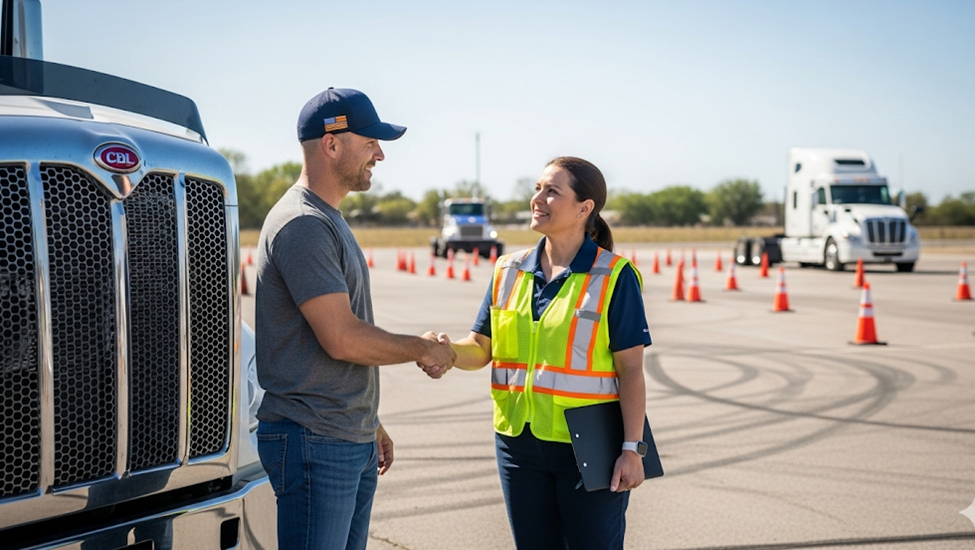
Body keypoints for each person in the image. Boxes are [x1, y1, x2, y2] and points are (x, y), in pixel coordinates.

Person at [255, 87, 456, 550]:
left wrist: (370, 421)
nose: (380, 155)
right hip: (315, 441)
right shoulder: (302, 224)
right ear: (331, 144)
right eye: (370, 142)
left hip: (345, 435)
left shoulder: (328, 218)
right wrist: (422, 348)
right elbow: (342, 338)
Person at [424, 157, 652, 550]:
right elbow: (481, 348)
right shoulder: (507, 270)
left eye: (552, 191)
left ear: (585, 208)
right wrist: (446, 354)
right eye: (537, 189)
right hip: (518, 443)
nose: (538, 199)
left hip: (588, 445)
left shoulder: (614, 276)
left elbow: (630, 369)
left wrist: (633, 449)